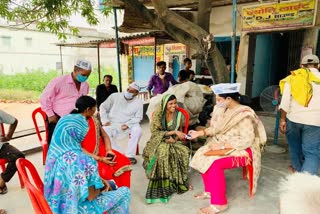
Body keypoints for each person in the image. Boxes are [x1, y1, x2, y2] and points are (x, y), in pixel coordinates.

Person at [188, 83, 266, 214]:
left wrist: (222, 145)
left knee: (214, 163)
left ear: (229, 99)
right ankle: (210, 191)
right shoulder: (222, 110)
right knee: (201, 154)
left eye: (219, 100)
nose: (217, 103)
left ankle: (220, 203)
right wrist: (199, 133)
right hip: (223, 143)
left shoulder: (244, 114)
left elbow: (247, 140)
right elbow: (216, 129)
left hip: (243, 149)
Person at [44, 96, 130, 214]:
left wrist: (108, 150)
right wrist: (105, 186)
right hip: (81, 209)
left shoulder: (56, 156)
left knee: (120, 164)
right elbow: (91, 196)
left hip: (61, 206)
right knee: (124, 192)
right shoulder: (83, 161)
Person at [142, 94, 191, 204]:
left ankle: (179, 180)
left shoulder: (178, 114)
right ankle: (164, 184)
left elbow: (180, 131)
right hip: (158, 140)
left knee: (184, 151)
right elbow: (155, 133)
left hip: (174, 140)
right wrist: (172, 133)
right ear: (165, 104)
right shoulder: (159, 114)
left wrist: (175, 138)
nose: (174, 106)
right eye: (171, 104)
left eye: (175, 103)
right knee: (163, 153)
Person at [279, 54, 320, 175]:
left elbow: (285, 102)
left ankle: (297, 170)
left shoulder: (293, 78)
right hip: (315, 121)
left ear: (301, 66)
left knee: (294, 146)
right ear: (318, 66)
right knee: (311, 152)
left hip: (294, 119)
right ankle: (304, 182)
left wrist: (282, 120)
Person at [80, 98, 132, 188]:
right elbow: (78, 147)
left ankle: (121, 193)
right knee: (105, 170)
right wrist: (99, 158)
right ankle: (108, 196)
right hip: (87, 156)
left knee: (124, 161)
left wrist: (109, 150)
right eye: (94, 108)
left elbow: (105, 136)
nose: (96, 110)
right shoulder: (76, 124)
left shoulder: (94, 119)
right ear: (88, 109)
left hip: (103, 150)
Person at [40, 59, 92, 145]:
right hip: (57, 119)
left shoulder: (85, 85)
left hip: (75, 121)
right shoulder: (59, 81)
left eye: (88, 75)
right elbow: (44, 98)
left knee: (74, 146)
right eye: (84, 75)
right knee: (57, 145)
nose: (85, 77)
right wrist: (50, 115)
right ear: (75, 70)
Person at [100, 82, 143, 165]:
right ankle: (119, 153)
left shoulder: (138, 102)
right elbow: (103, 106)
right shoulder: (115, 96)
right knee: (104, 131)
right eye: (128, 89)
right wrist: (104, 120)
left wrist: (128, 124)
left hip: (128, 124)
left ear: (137, 94)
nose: (129, 92)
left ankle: (129, 155)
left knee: (138, 130)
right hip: (113, 123)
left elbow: (138, 117)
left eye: (132, 91)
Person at [0, 110, 25, 194]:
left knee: (18, 156)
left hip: (1, 147)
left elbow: (14, 121)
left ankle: (1, 181)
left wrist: (8, 136)